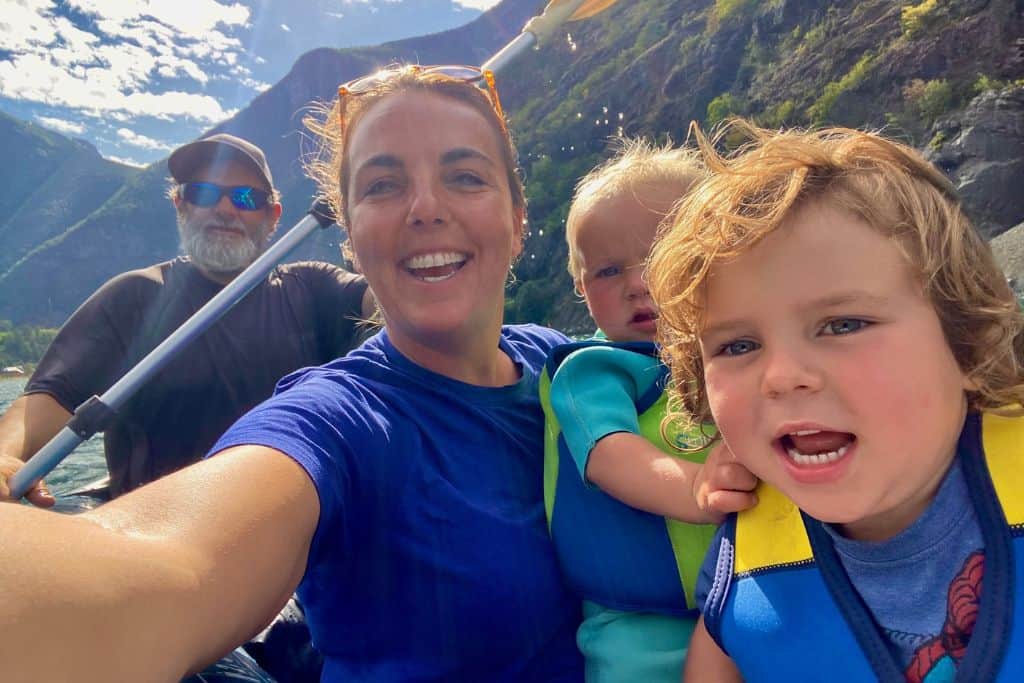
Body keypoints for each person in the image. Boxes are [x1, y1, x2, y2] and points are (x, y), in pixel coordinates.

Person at [645, 121, 1024, 681]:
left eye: (843, 324)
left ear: (970, 346)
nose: (781, 376)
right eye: (738, 345)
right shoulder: (740, 569)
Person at [0, 133, 372, 503]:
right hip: (153, 533)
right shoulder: (134, 296)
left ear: (273, 216)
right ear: (181, 205)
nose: (225, 209)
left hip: (288, 528)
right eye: (204, 194)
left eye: (246, 198)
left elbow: (386, 304)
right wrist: (5, 456)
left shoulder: (314, 288)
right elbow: (47, 400)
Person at [542, 138, 756, 682]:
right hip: (641, 628)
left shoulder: (746, 341)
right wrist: (694, 489)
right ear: (580, 287)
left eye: (664, 253)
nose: (639, 284)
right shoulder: (592, 371)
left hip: (760, 584)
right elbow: (611, 454)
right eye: (608, 271)